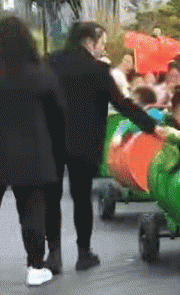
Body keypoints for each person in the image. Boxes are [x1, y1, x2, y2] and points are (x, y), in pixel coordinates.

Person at [46, 21, 156, 273]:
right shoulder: (98, 70)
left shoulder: (50, 63)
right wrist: (150, 125)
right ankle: (83, 253)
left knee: (51, 199)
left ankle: (53, 254)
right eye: (101, 44)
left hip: (51, 140)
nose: (102, 49)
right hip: (85, 143)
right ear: (88, 42)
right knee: (81, 198)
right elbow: (122, 104)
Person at [0, 17, 66, 286]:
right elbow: (58, 113)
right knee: (32, 211)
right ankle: (35, 267)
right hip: (32, 151)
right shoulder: (41, 73)